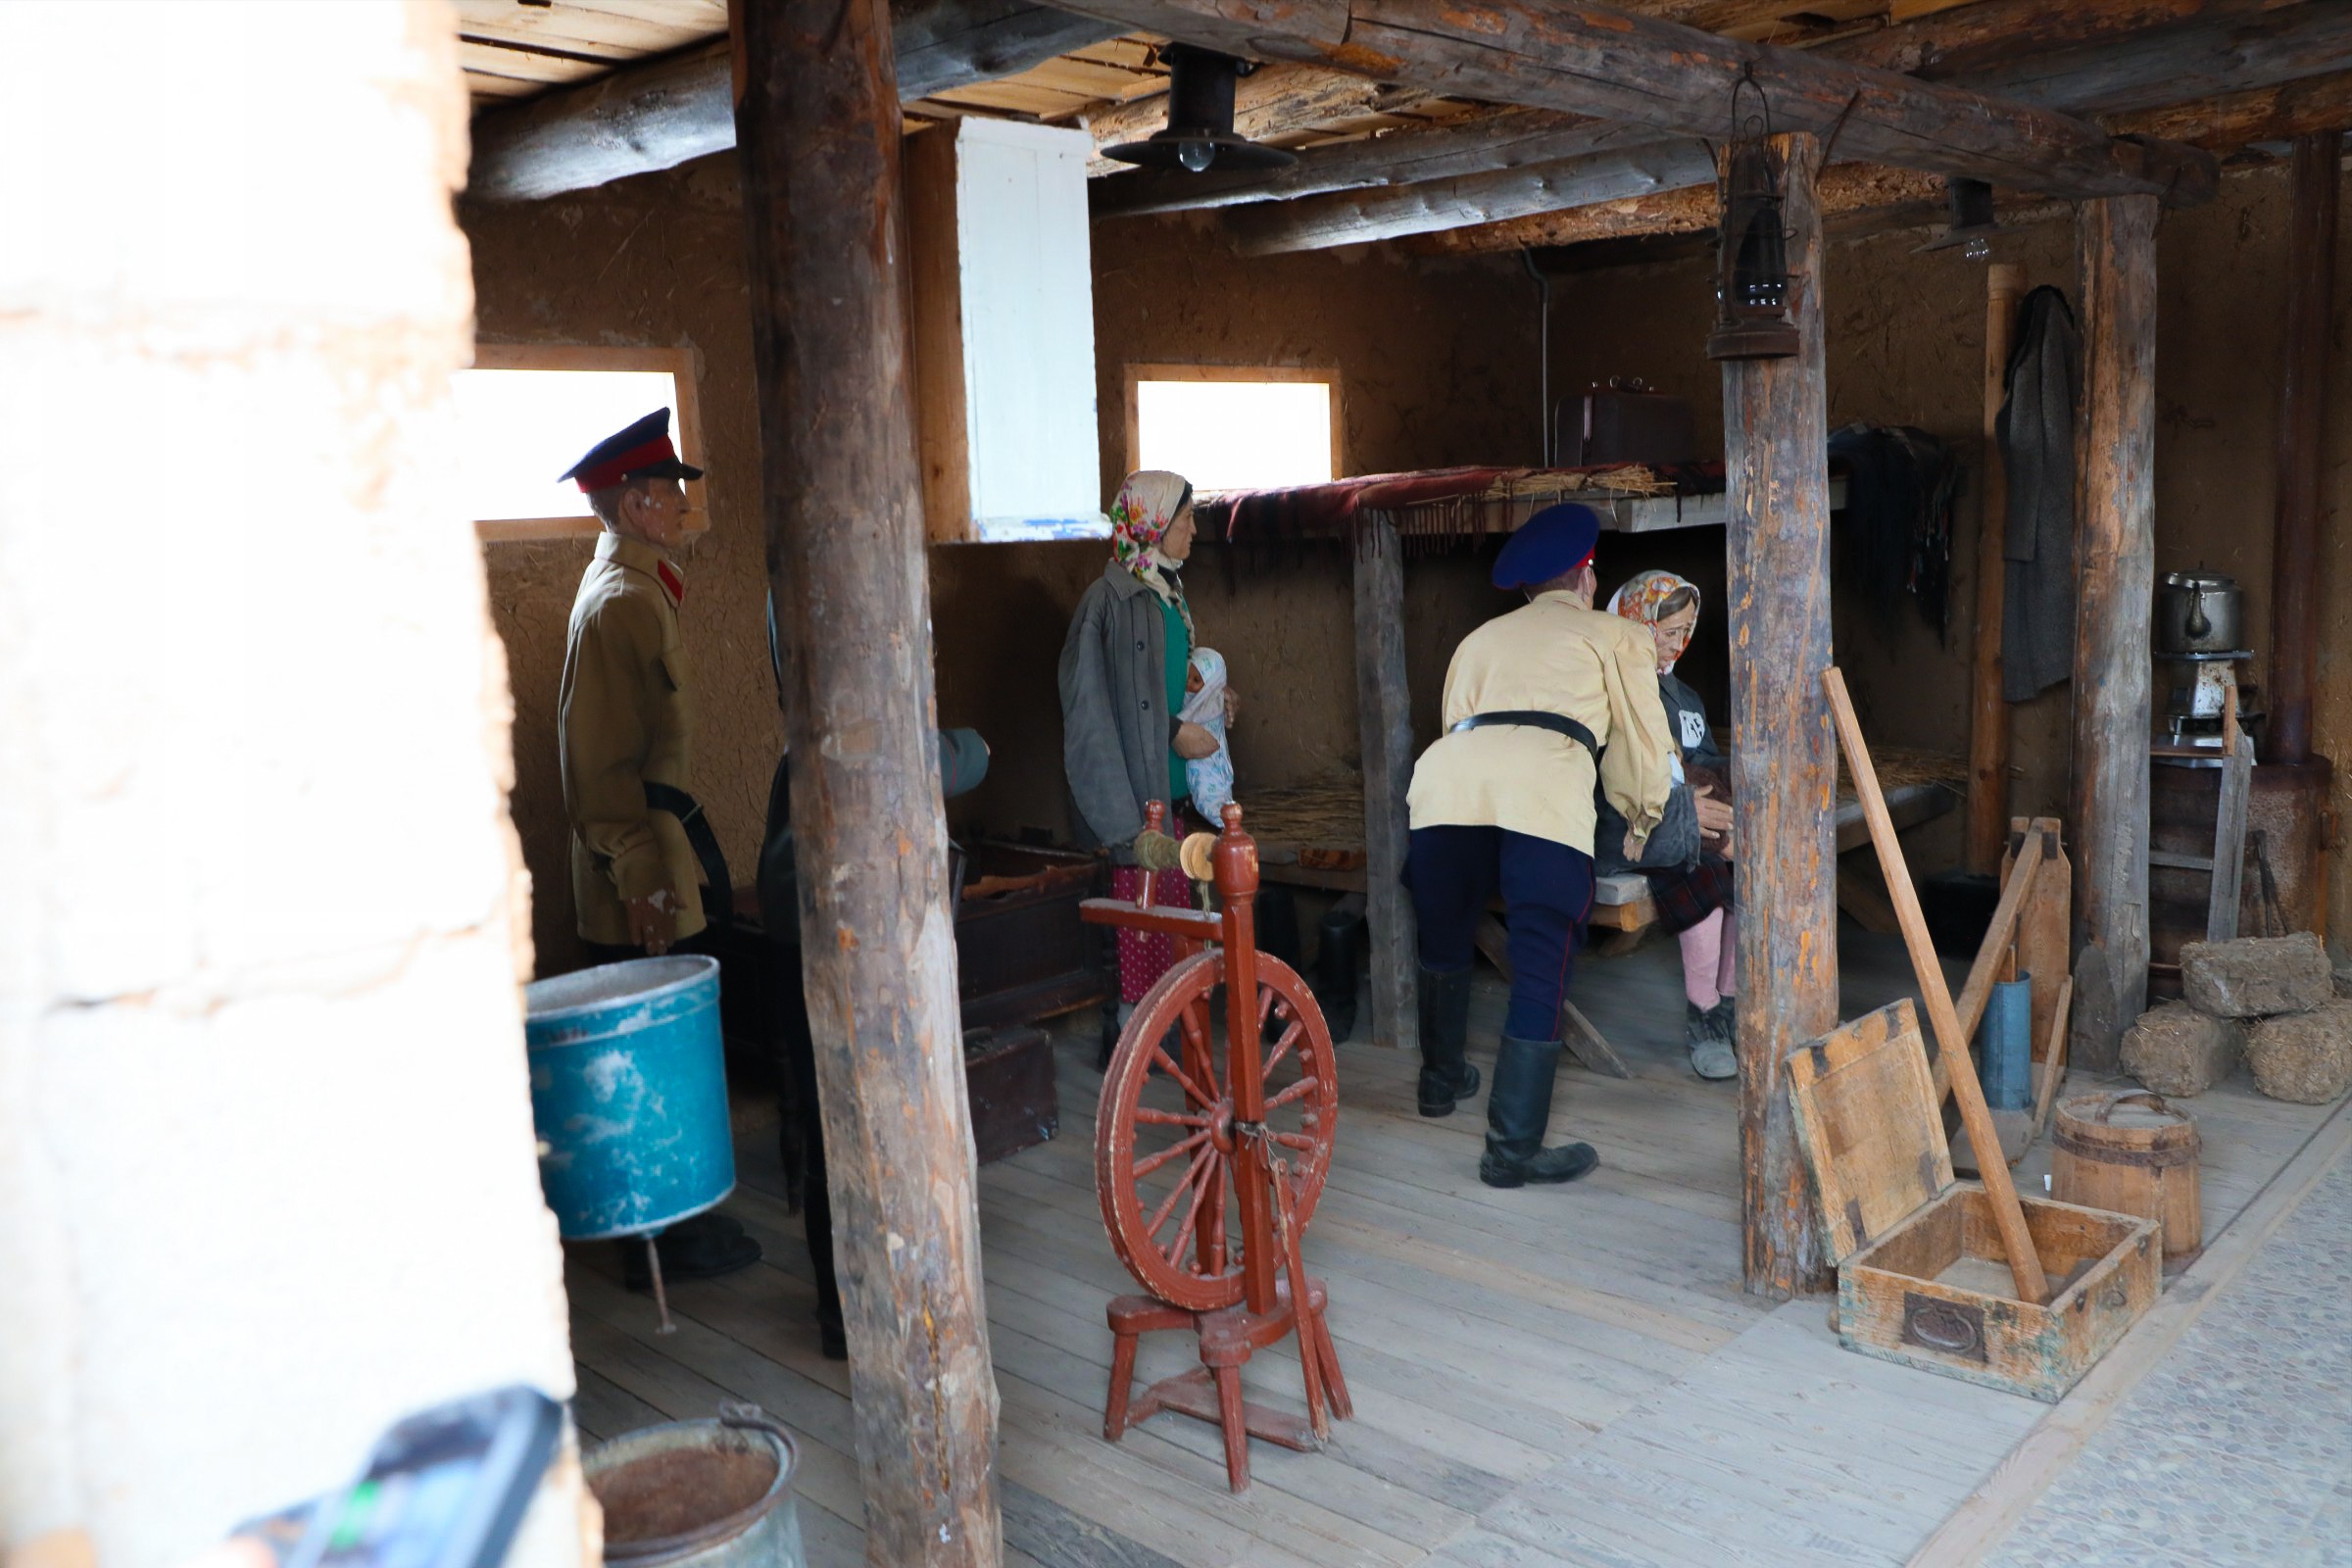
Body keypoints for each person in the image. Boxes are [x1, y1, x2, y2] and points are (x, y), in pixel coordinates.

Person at [1403, 504, 1679, 1189]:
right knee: (1540, 963)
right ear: (1586, 578)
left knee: (1444, 937)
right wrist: (1641, 817)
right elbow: (1643, 741)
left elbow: (1455, 723)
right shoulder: (1617, 634)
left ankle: (1439, 1083)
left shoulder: (1478, 639)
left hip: (1446, 791)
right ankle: (1511, 1152)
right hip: (1543, 794)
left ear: (1528, 589)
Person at [757, 596, 989, 1361]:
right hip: (842, 937)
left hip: (798, 926)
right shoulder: (851, 730)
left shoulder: (800, 743)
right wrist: (966, 747)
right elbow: (942, 754)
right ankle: (867, 1312)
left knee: (832, 1124)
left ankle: (844, 1311)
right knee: (860, 1127)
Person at [557, 409, 760, 1284]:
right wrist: (641, 879)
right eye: (671, 495)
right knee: (645, 1055)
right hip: (637, 871)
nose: (681, 508)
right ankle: (659, 1240)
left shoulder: (641, 591)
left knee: (670, 1046)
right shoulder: (621, 604)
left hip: (657, 854)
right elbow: (598, 765)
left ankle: (678, 1222)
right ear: (637, 504)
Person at [1058, 470, 1234, 1026]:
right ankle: (1138, 1045)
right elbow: (1095, 710)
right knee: (1146, 942)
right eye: (1185, 519)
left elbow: (1161, 685)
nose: (1194, 530)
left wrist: (1212, 698)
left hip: (1172, 797)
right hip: (1139, 807)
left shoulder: (1165, 593)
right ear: (1153, 525)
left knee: (1174, 941)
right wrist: (1171, 734)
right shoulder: (1108, 603)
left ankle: (1171, 1036)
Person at [1595, 569, 1740, 1081]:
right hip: (1631, 831)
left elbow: (1704, 758)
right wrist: (1682, 813)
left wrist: (1731, 782)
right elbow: (1612, 783)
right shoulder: (1608, 688)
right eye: (1668, 631)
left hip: (1692, 819)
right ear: (1637, 623)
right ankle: (1705, 1018)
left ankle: (1730, 1004)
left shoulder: (1686, 697)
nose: (1678, 644)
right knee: (1700, 870)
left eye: (1686, 631)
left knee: (1747, 870)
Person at [1179, 646, 1235, 819]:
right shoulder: (1188, 696)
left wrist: (1171, 724)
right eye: (1187, 677)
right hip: (1192, 755)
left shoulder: (1213, 702)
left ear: (1211, 684)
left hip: (1209, 759)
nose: (1188, 683)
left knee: (1209, 790)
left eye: (1196, 680)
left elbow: (1189, 719)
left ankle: (1222, 820)